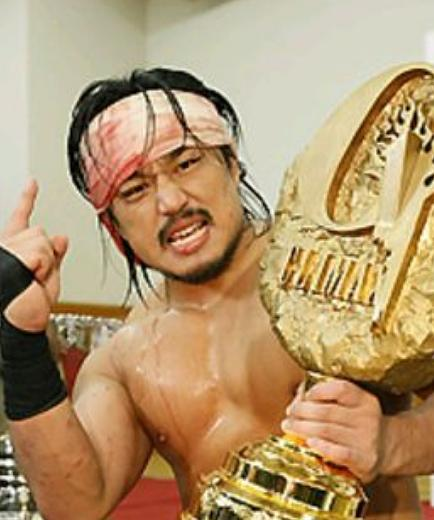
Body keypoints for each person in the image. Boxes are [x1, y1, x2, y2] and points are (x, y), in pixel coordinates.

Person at [0, 67, 431, 520]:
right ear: (114, 227)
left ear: (231, 162)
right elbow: (74, 505)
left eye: (186, 163)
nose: (170, 201)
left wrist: (391, 443)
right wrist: (22, 337)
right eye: (135, 189)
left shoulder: (336, 272)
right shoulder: (125, 357)